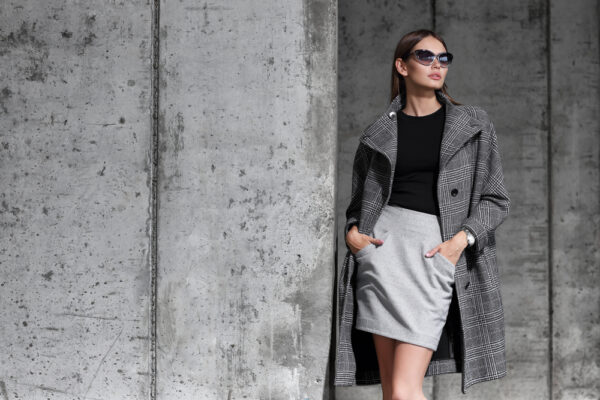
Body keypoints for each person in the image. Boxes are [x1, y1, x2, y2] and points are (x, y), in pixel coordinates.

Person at [336, 29, 511, 398]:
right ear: (402, 66)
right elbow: (360, 203)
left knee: (405, 389)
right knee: (392, 391)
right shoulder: (377, 133)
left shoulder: (473, 124)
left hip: (434, 255)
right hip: (381, 257)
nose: (436, 65)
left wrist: (459, 242)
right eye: (425, 56)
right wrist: (353, 233)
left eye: (443, 58)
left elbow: (496, 199)